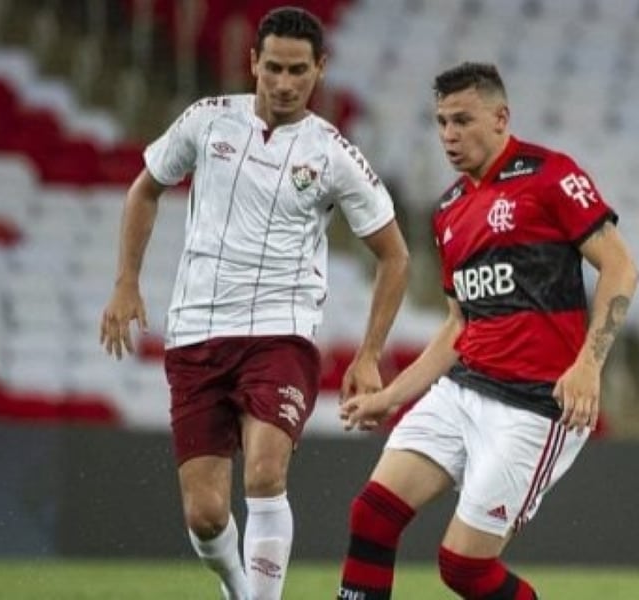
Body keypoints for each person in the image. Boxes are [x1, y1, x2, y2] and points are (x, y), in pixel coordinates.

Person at [99, 7, 409, 600]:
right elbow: (145, 189)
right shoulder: (206, 122)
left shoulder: (334, 154)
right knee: (207, 515)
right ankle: (241, 590)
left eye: (299, 70)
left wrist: (369, 353)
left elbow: (396, 256)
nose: (285, 83)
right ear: (252, 63)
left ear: (320, 69)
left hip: (281, 334)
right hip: (195, 334)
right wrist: (126, 281)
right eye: (274, 68)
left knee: (266, 474)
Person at [335, 62, 639, 600]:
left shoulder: (550, 175)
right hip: (464, 391)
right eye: (441, 123)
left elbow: (620, 268)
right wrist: (391, 397)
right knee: (371, 517)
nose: (449, 136)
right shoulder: (449, 210)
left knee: (463, 569)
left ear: (501, 118)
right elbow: (460, 325)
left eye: (463, 120)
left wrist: (589, 363)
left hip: (534, 406)